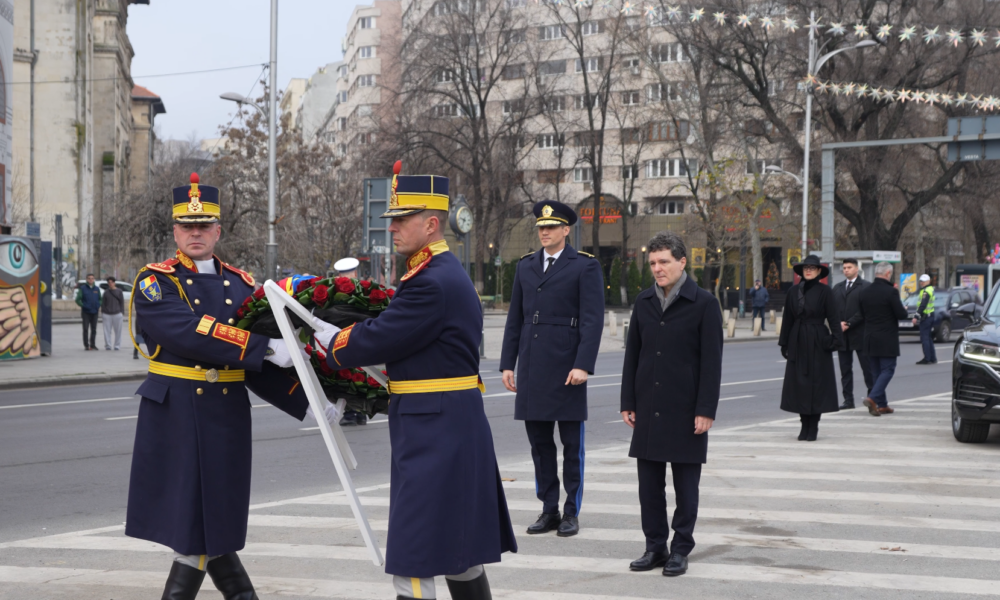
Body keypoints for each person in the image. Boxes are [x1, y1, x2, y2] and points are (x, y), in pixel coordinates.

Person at [316, 162, 516, 600]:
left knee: (414, 559)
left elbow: (387, 335)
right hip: (444, 423)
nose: (393, 229)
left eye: (402, 220)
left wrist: (336, 341)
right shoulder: (433, 274)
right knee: (457, 552)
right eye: (392, 220)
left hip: (435, 429)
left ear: (430, 224)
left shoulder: (432, 281)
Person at [127, 173, 323, 600]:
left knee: (213, 523)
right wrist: (264, 347)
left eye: (204, 226)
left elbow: (251, 367)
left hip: (225, 418)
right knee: (199, 525)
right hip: (177, 415)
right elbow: (188, 331)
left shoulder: (240, 284)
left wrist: (311, 402)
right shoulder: (155, 281)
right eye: (186, 226)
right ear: (175, 231)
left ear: (218, 230)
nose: (195, 233)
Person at [500, 199, 605, 538]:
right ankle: (549, 508)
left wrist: (583, 365)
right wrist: (507, 364)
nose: (544, 232)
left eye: (551, 227)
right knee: (540, 446)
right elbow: (515, 319)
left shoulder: (584, 266)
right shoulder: (525, 266)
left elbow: (592, 321)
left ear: (565, 230)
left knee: (572, 446)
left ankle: (571, 511)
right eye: (541, 228)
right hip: (532, 366)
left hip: (567, 368)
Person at [620, 231, 722, 577]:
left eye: (663, 262)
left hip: (686, 410)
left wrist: (706, 409)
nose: (657, 269)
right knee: (649, 487)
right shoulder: (644, 301)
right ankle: (654, 547)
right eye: (652, 263)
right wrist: (627, 401)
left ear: (681, 262)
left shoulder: (705, 304)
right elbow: (632, 354)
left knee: (685, 488)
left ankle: (680, 549)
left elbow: (712, 362)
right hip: (648, 408)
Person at [778, 255, 843, 441]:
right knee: (800, 385)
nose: (808, 270)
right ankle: (803, 424)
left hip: (817, 340)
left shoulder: (825, 292)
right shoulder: (792, 291)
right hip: (797, 340)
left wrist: (835, 340)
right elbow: (788, 320)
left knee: (817, 385)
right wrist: (784, 343)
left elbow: (833, 318)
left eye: (812, 268)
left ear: (819, 271)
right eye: (806, 267)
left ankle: (813, 426)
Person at [858, 262, 909, 416]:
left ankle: (882, 404)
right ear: (888, 273)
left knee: (875, 372)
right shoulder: (891, 292)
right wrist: (903, 308)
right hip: (886, 338)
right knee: (887, 369)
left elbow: (862, 313)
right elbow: (901, 315)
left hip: (869, 337)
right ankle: (873, 398)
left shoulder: (864, 292)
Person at [832, 259, 873, 409]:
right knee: (845, 370)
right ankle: (848, 400)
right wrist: (838, 324)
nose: (846, 270)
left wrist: (849, 323)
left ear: (857, 268)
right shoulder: (837, 288)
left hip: (861, 334)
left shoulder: (866, 287)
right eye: (844, 268)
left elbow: (865, 310)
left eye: (849, 267)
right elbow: (832, 309)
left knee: (867, 369)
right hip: (843, 336)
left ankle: (872, 398)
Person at [334, 255, 369, 426]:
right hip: (361, 337)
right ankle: (361, 412)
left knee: (347, 375)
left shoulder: (335, 292)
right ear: (355, 272)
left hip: (344, 338)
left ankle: (351, 412)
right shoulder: (363, 289)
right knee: (360, 374)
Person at [914, 274, 937, 365]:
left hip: (926, 317)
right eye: (920, 281)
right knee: (929, 338)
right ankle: (932, 358)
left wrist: (916, 316)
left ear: (928, 281)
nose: (921, 283)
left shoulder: (926, 292)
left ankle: (927, 358)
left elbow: (923, 305)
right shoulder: (930, 289)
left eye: (923, 281)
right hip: (930, 316)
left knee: (925, 338)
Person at [76, 273, 100, 350]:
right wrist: (84, 305)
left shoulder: (96, 289)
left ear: (94, 279)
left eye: (92, 278)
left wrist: (98, 305)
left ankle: (93, 344)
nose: (90, 280)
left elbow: (100, 299)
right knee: (85, 329)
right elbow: (77, 299)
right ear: (87, 279)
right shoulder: (82, 288)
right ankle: (86, 344)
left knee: (94, 329)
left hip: (95, 312)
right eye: (89, 278)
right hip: (86, 312)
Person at [101, 276, 125, 351]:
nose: (110, 284)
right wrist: (103, 311)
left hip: (117, 313)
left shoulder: (119, 291)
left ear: (114, 283)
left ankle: (117, 345)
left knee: (118, 331)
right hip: (107, 314)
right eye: (109, 282)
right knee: (107, 331)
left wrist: (121, 312)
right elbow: (103, 303)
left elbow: (122, 302)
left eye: (112, 282)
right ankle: (108, 345)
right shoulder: (106, 292)